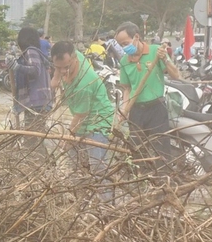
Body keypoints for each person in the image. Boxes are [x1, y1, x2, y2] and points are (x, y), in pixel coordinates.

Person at [115, 22, 181, 156]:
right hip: (136, 110)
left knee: (161, 149)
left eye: (126, 43)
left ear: (136, 37)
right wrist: (123, 110)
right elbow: (127, 89)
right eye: (121, 45)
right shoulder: (124, 61)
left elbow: (176, 76)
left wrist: (165, 59)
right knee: (136, 150)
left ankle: (163, 176)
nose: (124, 47)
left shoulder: (156, 51)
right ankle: (141, 176)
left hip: (157, 108)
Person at [53, 42, 116, 172]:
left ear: (75, 58)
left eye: (66, 67)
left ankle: (104, 192)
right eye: (59, 68)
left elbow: (80, 116)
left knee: (98, 169)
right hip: (81, 122)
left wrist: (68, 138)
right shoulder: (73, 55)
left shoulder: (85, 83)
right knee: (74, 167)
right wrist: (56, 77)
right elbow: (60, 65)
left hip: (98, 122)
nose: (63, 71)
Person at [12, 26, 51, 128]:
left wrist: (17, 67)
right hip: (38, 100)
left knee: (32, 133)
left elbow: (35, 70)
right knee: (36, 130)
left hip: (36, 99)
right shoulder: (34, 51)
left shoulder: (31, 51)